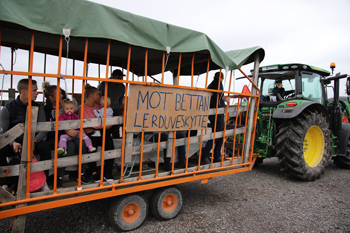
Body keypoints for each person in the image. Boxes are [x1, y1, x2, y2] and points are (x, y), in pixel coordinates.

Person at [0, 79, 51, 192]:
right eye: (34, 90)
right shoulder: (8, 109)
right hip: (15, 143)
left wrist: (34, 141)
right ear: (23, 92)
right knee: (1, 149)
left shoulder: (38, 107)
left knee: (45, 147)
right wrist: (12, 143)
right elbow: (2, 132)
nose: (37, 93)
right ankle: (4, 184)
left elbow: (43, 129)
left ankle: (44, 181)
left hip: (32, 141)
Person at [42, 82, 88, 188]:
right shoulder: (46, 110)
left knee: (81, 144)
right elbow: (48, 129)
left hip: (71, 133)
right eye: (59, 94)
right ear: (51, 97)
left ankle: (82, 173)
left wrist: (72, 130)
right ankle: (58, 177)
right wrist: (66, 131)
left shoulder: (66, 106)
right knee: (69, 147)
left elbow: (74, 118)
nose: (62, 95)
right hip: (56, 137)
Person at [77, 84, 114, 183]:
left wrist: (103, 125)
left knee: (109, 144)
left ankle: (108, 172)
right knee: (91, 146)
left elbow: (108, 120)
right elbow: (86, 123)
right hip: (89, 133)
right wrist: (103, 125)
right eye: (97, 94)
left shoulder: (100, 107)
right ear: (90, 95)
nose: (99, 97)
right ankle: (94, 172)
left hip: (101, 132)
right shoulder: (81, 108)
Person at [201, 72, 230, 164]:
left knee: (218, 133)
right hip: (217, 112)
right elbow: (219, 97)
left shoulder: (211, 84)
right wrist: (225, 98)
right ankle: (206, 155)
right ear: (222, 78)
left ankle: (216, 155)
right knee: (218, 134)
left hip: (212, 112)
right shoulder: (218, 83)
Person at [98, 69, 125, 138]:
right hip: (104, 108)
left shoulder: (122, 87)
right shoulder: (104, 84)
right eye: (118, 77)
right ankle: (105, 140)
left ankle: (116, 140)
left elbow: (120, 99)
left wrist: (118, 106)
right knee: (104, 126)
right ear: (112, 76)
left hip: (115, 108)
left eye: (121, 77)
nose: (120, 79)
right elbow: (99, 96)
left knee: (116, 126)